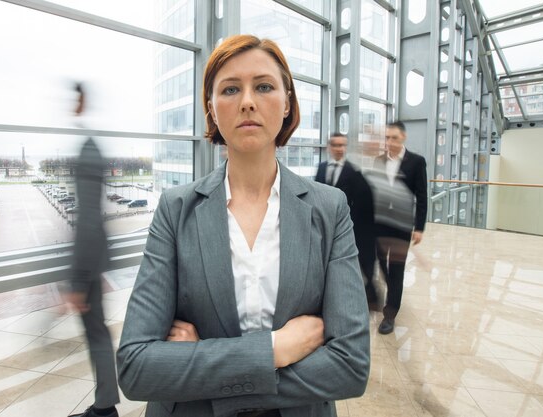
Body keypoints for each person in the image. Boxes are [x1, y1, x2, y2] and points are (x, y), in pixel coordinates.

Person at [117, 35, 370, 417]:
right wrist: (275, 350)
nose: (248, 101)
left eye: (264, 86)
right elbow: (136, 367)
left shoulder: (329, 208)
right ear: (213, 110)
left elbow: (350, 366)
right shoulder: (176, 209)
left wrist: (199, 368)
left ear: (287, 103)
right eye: (231, 89)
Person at [66, 83, 120, 417]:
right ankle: (105, 405)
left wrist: (78, 279)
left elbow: (87, 218)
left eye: (74, 98)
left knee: (97, 334)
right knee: (98, 332)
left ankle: (105, 409)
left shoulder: (87, 149)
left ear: (82, 102)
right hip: (94, 257)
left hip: (88, 259)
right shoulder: (91, 146)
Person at [371, 120, 427, 335]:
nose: (389, 142)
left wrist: (419, 227)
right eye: (387, 138)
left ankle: (390, 314)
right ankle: (392, 288)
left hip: (402, 225)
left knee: (397, 269)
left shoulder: (416, 162)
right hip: (380, 223)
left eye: (394, 138)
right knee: (381, 264)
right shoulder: (379, 161)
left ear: (403, 137)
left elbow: (421, 196)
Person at [315, 133, 377, 309]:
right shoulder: (321, 168)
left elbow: (363, 205)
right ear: (329, 147)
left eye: (343, 145)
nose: (340, 149)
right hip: (323, 226)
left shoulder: (354, 172)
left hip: (346, 227)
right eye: (336, 145)